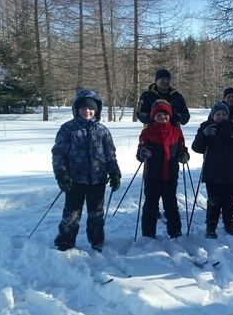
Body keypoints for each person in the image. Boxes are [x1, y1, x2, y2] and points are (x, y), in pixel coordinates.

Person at [52, 89, 121, 252]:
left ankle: (96, 239)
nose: (87, 112)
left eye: (90, 108)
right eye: (83, 108)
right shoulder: (67, 129)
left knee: (96, 214)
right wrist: (61, 174)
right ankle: (65, 241)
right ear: (77, 109)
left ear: (96, 110)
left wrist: (115, 173)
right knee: (71, 215)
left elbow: (110, 154)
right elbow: (59, 153)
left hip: (97, 180)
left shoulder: (103, 130)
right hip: (74, 180)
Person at [191, 102, 233, 239]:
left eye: (224, 114)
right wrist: (204, 134)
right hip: (212, 173)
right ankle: (211, 227)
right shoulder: (206, 127)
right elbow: (196, 147)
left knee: (229, 202)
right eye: (218, 114)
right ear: (212, 115)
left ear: (228, 115)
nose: (221, 117)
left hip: (232, 172)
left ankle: (229, 225)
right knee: (213, 202)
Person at [136, 100, 189, 239]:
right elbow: (141, 150)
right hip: (152, 176)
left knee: (171, 205)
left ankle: (175, 232)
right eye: (158, 115)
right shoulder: (147, 132)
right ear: (153, 116)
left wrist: (184, 155)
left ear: (170, 116)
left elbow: (181, 149)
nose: (162, 117)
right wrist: (142, 153)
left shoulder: (176, 132)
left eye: (165, 115)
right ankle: (148, 233)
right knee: (150, 206)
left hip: (170, 176)